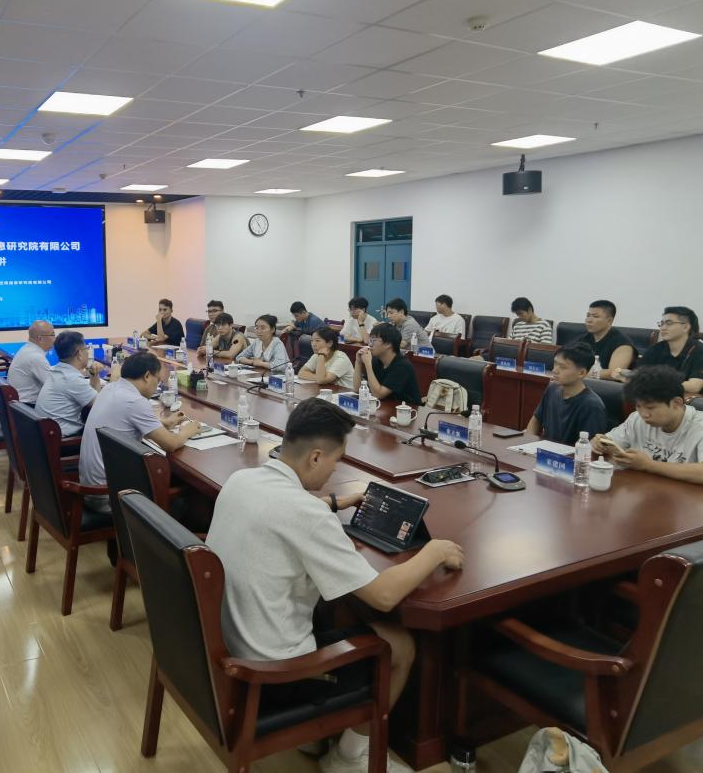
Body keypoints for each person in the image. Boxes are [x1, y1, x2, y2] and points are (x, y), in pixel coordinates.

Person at [206, 398, 463, 773]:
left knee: (328, 606)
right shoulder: (307, 515)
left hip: (229, 648)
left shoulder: (241, 480)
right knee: (400, 645)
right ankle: (350, 757)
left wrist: (332, 502)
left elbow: (285, 512)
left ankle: (314, 737)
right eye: (336, 460)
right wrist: (434, 552)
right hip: (272, 675)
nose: (335, 469)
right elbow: (384, 596)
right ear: (315, 457)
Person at [78, 352, 199, 511]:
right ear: (147, 376)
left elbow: (125, 419)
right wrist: (187, 431)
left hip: (92, 489)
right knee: (189, 495)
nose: (157, 385)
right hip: (112, 496)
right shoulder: (135, 401)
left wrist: (163, 423)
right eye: (158, 380)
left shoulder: (110, 388)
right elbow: (171, 444)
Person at [591, 366, 703, 487]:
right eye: (638, 406)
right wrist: (600, 444)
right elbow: (610, 442)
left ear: (677, 403)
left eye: (651, 407)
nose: (644, 414)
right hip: (662, 494)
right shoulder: (637, 419)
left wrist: (649, 465)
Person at [524, 344, 608, 445]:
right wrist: (526, 443)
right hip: (545, 450)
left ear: (581, 373)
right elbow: (536, 420)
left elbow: (589, 447)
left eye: (563, 367)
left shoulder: (592, 406)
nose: (555, 370)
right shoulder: (552, 388)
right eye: (555, 364)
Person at [33, 331, 102, 438]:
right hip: (62, 440)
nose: (88, 352)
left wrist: (94, 375)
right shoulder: (72, 379)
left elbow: (93, 400)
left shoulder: (56, 370)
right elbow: (99, 406)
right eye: (86, 349)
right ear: (80, 354)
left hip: (45, 435)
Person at [638, 306, 703, 394]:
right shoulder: (655, 349)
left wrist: (656, 384)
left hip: (690, 400)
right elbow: (638, 376)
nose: (663, 328)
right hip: (657, 396)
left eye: (669, 323)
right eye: (661, 323)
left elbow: (694, 387)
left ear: (685, 327)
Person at [353, 322, 422, 406]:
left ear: (388, 344)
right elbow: (357, 389)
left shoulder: (403, 366)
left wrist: (368, 365)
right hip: (385, 406)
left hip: (407, 409)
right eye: (370, 340)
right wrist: (358, 362)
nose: (369, 344)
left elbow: (378, 394)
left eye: (373, 340)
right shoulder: (376, 360)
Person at [577, 300, 635, 381]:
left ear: (609, 321)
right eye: (588, 315)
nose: (589, 320)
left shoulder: (623, 344)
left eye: (595, 316)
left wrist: (579, 374)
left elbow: (614, 373)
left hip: (607, 387)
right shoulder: (583, 338)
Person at [6, 320, 56, 404]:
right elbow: (54, 386)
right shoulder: (36, 357)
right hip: (26, 407)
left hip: (16, 403)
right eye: (53, 335)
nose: (55, 339)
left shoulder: (27, 348)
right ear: (40, 339)